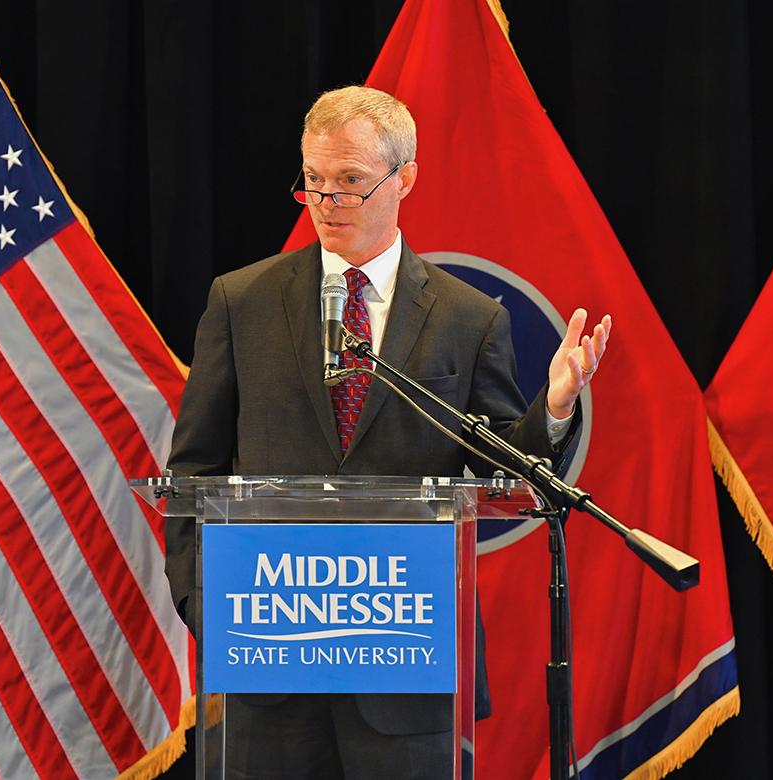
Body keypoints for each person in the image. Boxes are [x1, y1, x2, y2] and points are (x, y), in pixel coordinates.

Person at [164, 85, 611, 779]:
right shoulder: (241, 301)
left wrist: (553, 407)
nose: (327, 202)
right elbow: (193, 470)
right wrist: (208, 605)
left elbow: (502, 470)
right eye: (313, 182)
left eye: (350, 183)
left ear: (404, 178)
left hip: (405, 662)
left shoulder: (467, 318)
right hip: (269, 656)